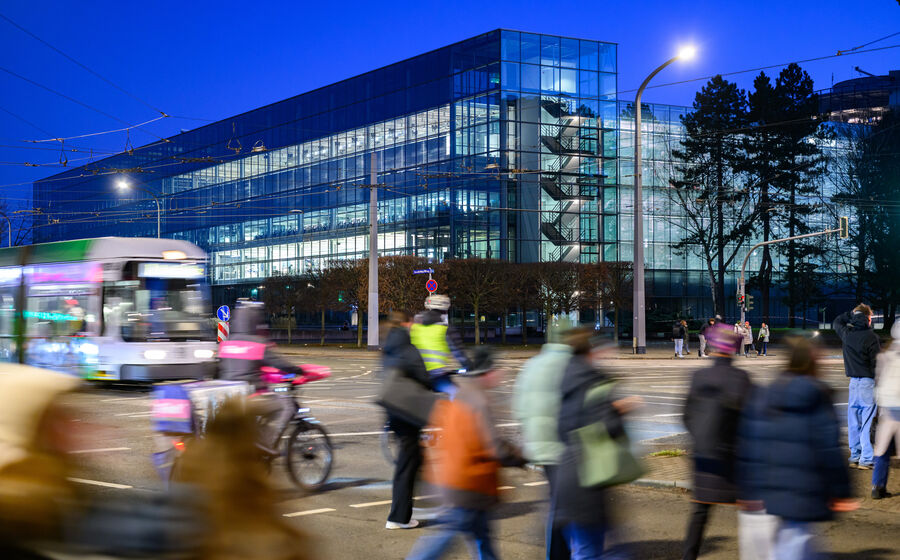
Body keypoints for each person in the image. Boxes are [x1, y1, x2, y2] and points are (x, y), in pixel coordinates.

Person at [738, 336, 857, 558]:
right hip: (802, 494)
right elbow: (829, 450)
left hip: (766, 494)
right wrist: (842, 491)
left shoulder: (763, 394)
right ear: (812, 361)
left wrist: (746, 489)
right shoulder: (817, 395)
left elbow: (748, 447)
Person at [406, 347, 525, 560]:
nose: (502, 373)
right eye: (498, 369)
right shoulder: (478, 400)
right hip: (468, 483)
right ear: (487, 372)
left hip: (458, 478)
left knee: (482, 537)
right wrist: (520, 457)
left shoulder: (462, 393)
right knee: (446, 537)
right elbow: (494, 446)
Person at [551, 328, 641, 559]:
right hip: (589, 477)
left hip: (568, 475)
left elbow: (563, 429)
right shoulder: (593, 381)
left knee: (586, 548)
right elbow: (608, 428)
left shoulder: (566, 378)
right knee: (604, 551)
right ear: (590, 351)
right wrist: (620, 409)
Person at [682, 323, 751, 560]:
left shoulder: (698, 376)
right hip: (732, 458)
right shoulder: (741, 378)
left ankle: (688, 556)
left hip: (703, 455)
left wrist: (700, 438)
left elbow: (686, 415)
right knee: (751, 509)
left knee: (700, 510)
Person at [511, 319, 573, 560]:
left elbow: (520, 407)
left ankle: (561, 550)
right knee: (566, 506)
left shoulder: (532, 365)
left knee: (558, 501)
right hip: (565, 448)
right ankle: (561, 553)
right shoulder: (571, 364)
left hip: (540, 446)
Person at [218, 301, 304, 453]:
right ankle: (268, 444)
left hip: (229, 400)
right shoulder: (257, 343)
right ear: (254, 321)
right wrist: (299, 370)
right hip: (251, 397)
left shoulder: (226, 344)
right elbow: (281, 364)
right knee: (286, 405)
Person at [382, 310, 432, 530]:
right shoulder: (407, 347)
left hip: (393, 411)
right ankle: (398, 517)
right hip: (408, 413)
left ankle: (400, 514)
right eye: (412, 322)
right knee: (408, 464)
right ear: (406, 323)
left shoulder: (389, 346)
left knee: (410, 462)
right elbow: (424, 376)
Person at [834, 304, 881, 469]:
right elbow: (876, 364)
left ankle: (855, 455)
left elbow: (837, 322)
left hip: (853, 382)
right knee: (867, 421)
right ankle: (866, 458)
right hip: (868, 382)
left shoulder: (847, 334)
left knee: (853, 420)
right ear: (868, 319)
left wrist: (851, 314)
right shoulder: (871, 337)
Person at [410, 294, 469, 395]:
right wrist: (470, 367)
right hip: (435, 376)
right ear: (445, 311)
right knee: (459, 394)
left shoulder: (414, 327)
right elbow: (459, 353)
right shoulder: (445, 329)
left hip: (415, 375)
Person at [872, 322, 900, 499]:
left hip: (886, 404)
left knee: (882, 449)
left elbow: (878, 378)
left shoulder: (886, 353)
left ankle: (878, 486)